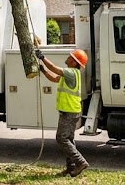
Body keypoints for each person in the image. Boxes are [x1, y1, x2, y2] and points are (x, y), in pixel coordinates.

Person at [37, 48, 89, 177]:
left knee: (61, 138)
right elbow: (54, 78)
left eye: (71, 57)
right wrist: (43, 70)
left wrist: (42, 57)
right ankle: (71, 168)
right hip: (71, 110)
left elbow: (54, 68)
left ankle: (81, 162)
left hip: (69, 111)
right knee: (69, 139)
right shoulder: (69, 74)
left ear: (74, 62)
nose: (68, 57)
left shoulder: (71, 72)